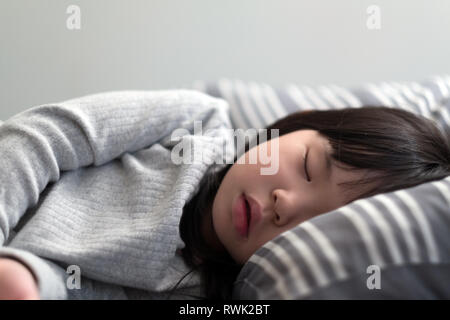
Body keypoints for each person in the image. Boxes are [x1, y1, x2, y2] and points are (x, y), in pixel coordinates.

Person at [0, 90, 449, 300]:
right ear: (301, 123)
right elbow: (47, 137)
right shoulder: (197, 122)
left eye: (313, 226)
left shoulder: (213, 295)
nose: (285, 204)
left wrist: (33, 283)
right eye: (308, 167)